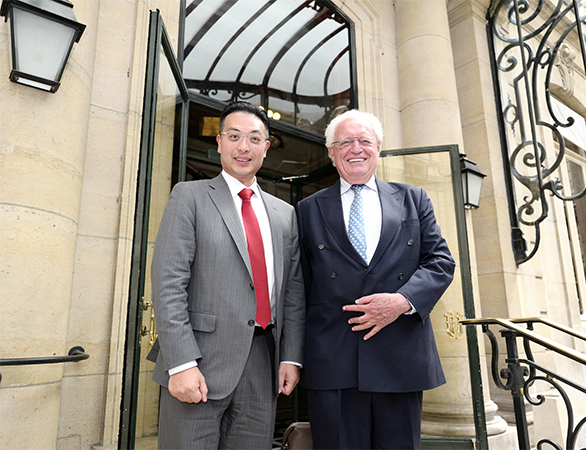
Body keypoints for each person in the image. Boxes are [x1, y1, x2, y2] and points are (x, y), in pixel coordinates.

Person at [147, 101, 306, 449]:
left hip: (262, 365)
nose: (243, 147)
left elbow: (293, 292)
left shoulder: (285, 214)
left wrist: (290, 357)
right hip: (199, 363)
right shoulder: (189, 197)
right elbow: (169, 284)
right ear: (219, 142)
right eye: (234, 136)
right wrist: (181, 363)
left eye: (254, 138)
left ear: (266, 147)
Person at [296, 110, 455, 449]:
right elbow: (298, 288)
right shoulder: (306, 209)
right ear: (331, 152)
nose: (356, 148)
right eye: (345, 142)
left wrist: (402, 301)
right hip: (333, 361)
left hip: (400, 359)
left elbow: (441, 262)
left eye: (364, 140)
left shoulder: (414, 199)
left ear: (378, 147)